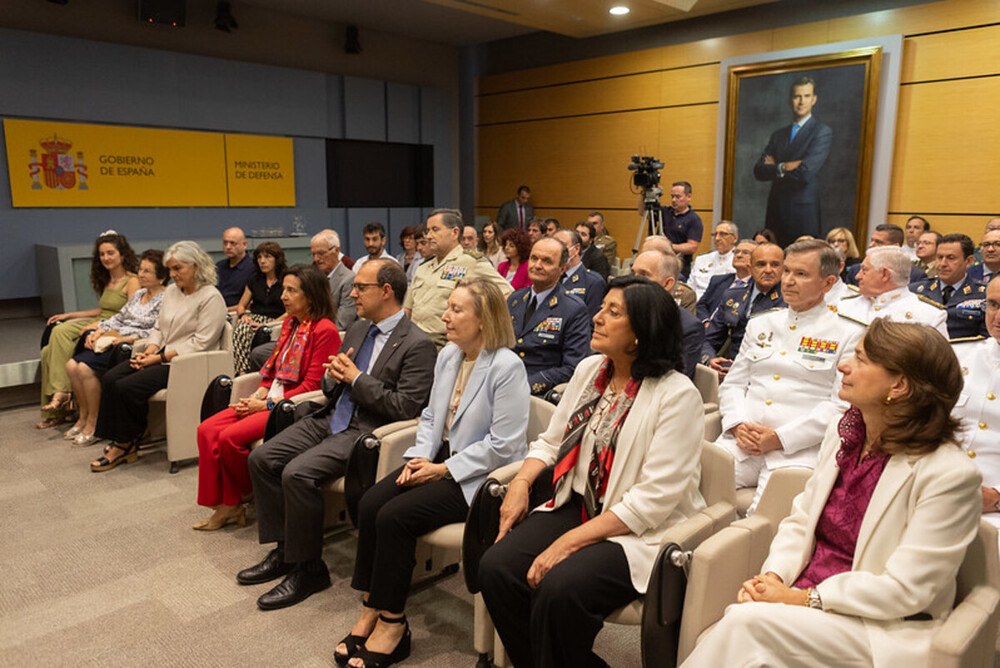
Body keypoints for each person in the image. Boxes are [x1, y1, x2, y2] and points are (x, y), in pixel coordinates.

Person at [685, 319, 981, 668]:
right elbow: (800, 520)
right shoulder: (846, 435)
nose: (843, 365)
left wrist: (801, 599)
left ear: (898, 385)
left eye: (861, 359)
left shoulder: (949, 474)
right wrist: (774, 577)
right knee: (745, 621)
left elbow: (908, 590)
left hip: (879, 624)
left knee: (743, 622)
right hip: (806, 594)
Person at [479, 275, 706, 668]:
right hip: (578, 502)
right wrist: (520, 482)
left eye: (613, 312)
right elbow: (551, 441)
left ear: (640, 333)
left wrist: (567, 544)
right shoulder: (590, 371)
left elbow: (651, 503)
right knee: (496, 568)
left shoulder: (677, 395)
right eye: (602, 307)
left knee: (559, 589)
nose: (597, 317)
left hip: (638, 529)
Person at [334, 278, 529, 667]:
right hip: (437, 456)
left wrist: (442, 469)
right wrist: (418, 459)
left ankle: (393, 623)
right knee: (372, 502)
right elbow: (429, 418)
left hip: (479, 475)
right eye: (448, 307)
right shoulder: (449, 356)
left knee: (395, 516)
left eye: (457, 309)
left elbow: (504, 445)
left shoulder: (507, 366)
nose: (445, 316)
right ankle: (372, 603)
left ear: (484, 319)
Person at [238, 260, 436, 610]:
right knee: (262, 457)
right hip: (330, 415)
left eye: (361, 287)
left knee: (296, 473)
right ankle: (286, 551)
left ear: (386, 291)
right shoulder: (360, 329)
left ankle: (309, 568)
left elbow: (406, 407)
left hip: (367, 430)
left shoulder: (417, 344)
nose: (353, 293)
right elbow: (332, 384)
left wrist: (357, 379)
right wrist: (334, 376)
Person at [715, 240, 864, 514]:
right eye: (787, 271)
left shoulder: (848, 333)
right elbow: (734, 383)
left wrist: (780, 438)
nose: (789, 281)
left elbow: (841, 406)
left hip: (797, 451)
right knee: (693, 495)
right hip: (742, 441)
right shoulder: (762, 323)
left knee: (763, 526)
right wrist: (737, 424)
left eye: (802, 274)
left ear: (828, 283)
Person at [194, 264, 340, 530]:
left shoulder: (324, 330)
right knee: (206, 429)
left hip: (291, 407)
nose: (283, 296)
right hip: (269, 398)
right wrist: (260, 392)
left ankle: (237, 500)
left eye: (291, 291)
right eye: (284, 289)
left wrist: (265, 404)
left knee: (228, 438)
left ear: (311, 296)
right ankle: (226, 501)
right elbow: (273, 369)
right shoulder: (290, 324)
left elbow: (311, 387)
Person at [91, 241, 227, 472]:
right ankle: (122, 438)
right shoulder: (172, 292)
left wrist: (159, 358)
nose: (172, 275)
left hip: (187, 363)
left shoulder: (210, 297)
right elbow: (159, 328)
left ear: (195, 266)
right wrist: (151, 350)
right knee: (111, 377)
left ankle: (124, 444)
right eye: (170, 269)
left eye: (177, 269)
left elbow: (201, 343)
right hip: (162, 355)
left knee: (127, 387)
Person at [64, 249, 168, 446]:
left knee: (84, 369)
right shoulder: (138, 294)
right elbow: (118, 318)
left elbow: (158, 329)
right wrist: (99, 330)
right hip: (114, 338)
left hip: (130, 344)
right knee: (71, 365)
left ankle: (95, 424)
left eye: (147, 271)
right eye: (140, 269)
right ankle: (83, 417)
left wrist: (126, 338)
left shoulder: (165, 299)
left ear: (161, 277)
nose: (141, 274)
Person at [38, 230, 140, 429]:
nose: (105, 258)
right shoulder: (107, 280)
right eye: (102, 254)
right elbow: (102, 309)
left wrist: (98, 326)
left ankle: (61, 395)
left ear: (123, 255)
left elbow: (130, 314)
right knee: (54, 338)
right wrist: (70, 315)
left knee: (54, 345)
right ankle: (60, 404)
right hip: (101, 319)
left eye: (110, 253)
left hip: (114, 326)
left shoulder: (132, 281)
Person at [405, 208, 512, 348]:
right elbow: (408, 309)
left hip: (446, 344)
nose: (429, 236)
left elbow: (508, 295)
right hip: (414, 341)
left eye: (435, 230)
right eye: (428, 231)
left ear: (454, 233)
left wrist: (478, 327)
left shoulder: (470, 262)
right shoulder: (422, 268)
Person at [752, 76, 833, 246]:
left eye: (806, 96)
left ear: (814, 99)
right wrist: (784, 167)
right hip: (776, 211)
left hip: (802, 213)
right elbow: (759, 170)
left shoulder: (821, 132)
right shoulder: (778, 135)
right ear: (790, 100)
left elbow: (805, 173)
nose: (801, 101)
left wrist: (774, 168)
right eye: (797, 96)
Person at [508, 237, 592, 396]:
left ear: (562, 268)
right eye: (534, 258)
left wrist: (526, 385)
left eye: (546, 261)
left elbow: (572, 367)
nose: (537, 265)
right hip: (504, 381)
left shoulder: (573, 308)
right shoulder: (515, 299)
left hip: (536, 392)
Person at [952, 276, 1000, 547]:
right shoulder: (962, 355)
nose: (997, 316)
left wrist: (997, 498)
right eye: (992, 305)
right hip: (943, 487)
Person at [703, 242, 786, 377]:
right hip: (729, 369)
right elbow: (708, 339)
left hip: (768, 374)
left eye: (775, 265)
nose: (768, 270)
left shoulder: (790, 301)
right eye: (761, 264)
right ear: (750, 268)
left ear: (783, 269)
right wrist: (711, 360)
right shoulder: (732, 295)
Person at [836, 246, 947, 337]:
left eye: (864, 270)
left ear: (885, 274)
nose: (857, 276)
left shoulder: (929, 317)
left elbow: (940, 363)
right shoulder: (843, 305)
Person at [631, 248, 705, 378]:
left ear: (667, 283)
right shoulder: (623, 313)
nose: (633, 281)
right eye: (633, 273)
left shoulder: (688, 327)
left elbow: (676, 381)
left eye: (644, 275)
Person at [910, 233, 988, 339]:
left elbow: (988, 339)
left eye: (951, 258)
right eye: (939, 257)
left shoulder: (984, 294)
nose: (943, 263)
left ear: (969, 261)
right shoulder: (915, 291)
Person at [231, 242, 288, 375]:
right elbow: (241, 305)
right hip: (254, 317)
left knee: (246, 330)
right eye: (259, 257)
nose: (262, 261)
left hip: (277, 320)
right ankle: (242, 373)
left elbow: (290, 311)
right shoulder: (255, 279)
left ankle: (246, 373)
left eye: (267, 257)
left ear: (277, 259)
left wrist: (269, 324)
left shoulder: (286, 279)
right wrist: (243, 315)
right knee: (242, 328)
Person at [845, 224, 927, 286]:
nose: (871, 245)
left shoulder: (915, 276)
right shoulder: (856, 271)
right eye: (872, 240)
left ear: (895, 247)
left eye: (878, 242)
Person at [697, 239, 756, 322]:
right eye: (736, 252)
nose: (739, 255)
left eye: (745, 252)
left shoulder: (757, 286)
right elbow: (701, 305)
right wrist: (706, 322)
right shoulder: (718, 280)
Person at [554, 228, 607, 319]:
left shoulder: (593, 281)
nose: (557, 250)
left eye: (562, 245)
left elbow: (592, 321)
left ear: (576, 248)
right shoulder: (550, 276)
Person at [312, 229, 357, 331]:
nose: (316, 259)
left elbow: (341, 322)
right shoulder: (314, 277)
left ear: (336, 251)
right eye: (313, 254)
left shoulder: (349, 279)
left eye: (321, 253)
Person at [658, 181, 703, 279]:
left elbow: (692, 247)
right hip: (659, 262)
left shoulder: (694, 219)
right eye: (672, 196)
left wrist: (668, 246)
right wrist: (644, 194)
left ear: (689, 197)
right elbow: (642, 211)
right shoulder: (665, 212)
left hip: (679, 267)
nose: (674, 200)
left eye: (678, 197)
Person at [689, 220, 738, 298]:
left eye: (723, 234)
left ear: (735, 238)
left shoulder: (739, 261)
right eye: (715, 234)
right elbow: (690, 288)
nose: (717, 238)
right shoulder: (701, 260)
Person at [216, 227, 254, 310]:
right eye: (225, 243)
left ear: (244, 244)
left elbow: (252, 303)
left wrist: (224, 310)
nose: (228, 247)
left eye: (233, 243)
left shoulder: (253, 268)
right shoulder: (219, 266)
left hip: (237, 314)